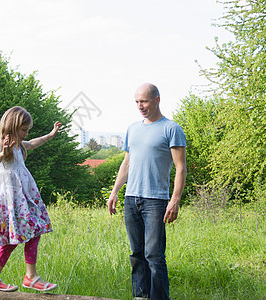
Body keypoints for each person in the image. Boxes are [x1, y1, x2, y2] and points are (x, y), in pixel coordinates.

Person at [107, 83, 187, 300]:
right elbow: (127, 163)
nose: (140, 106)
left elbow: (180, 167)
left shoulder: (171, 129)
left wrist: (175, 200)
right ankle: (140, 296)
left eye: (144, 101)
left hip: (156, 200)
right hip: (132, 199)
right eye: (137, 102)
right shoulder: (132, 129)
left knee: (154, 255)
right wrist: (115, 192)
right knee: (137, 254)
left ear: (157, 100)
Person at [0, 106, 61, 292]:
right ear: (13, 126)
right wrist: (4, 152)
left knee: (33, 230)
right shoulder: (2, 143)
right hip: (10, 199)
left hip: (23, 196)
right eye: (24, 130)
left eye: (27, 130)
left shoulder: (19, 144)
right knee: (22, 234)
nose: (26, 134)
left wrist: (51, 135)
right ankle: (29, 277)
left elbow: (34, 143)